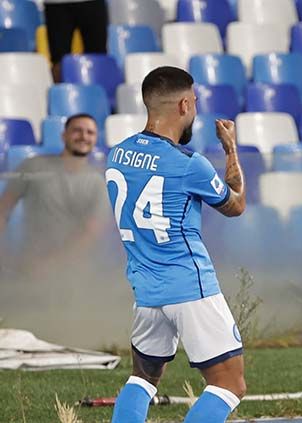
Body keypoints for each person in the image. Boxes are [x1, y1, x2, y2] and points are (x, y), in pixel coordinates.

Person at [106, 66, 247, 423]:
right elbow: (236, 204)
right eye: (195, 102)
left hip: (146, 290)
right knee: (229, 384)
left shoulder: (117, 155)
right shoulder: (188, 164)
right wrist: (231, 149)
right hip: (190, 285)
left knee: (143, 377)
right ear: (185, 104)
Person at [0, 113, 108, 271]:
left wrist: (52, 265)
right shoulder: (34, 166)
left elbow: (91, 233)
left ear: (95, 139)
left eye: (90, 132)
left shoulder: (98, 182)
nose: (84, 136)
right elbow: (3, 208)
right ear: (64, 135)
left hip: (74, 272)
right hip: (30, 265)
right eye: (77, 130)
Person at [43, 0, 109, 82]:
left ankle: (100, 93)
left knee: (98, 58)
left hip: (92, 3)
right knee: (59, 61)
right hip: (56, 4)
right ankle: (60, 93)